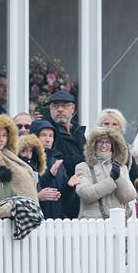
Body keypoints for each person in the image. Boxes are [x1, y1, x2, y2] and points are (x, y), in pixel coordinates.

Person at [71, 127, 137, 220]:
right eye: (100, 142)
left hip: (117, 222)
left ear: (113, 145)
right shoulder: (83, 167)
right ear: (93, 145)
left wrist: (118, 178)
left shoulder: (121, 168)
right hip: (92, 224)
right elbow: (85, 194)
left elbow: (129, 196)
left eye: (108, 142)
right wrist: (111, 181)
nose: (104, 145)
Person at [97, 108, 138, 197]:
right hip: (98, 201)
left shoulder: (127, 149)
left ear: (120, 128)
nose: (110, 127)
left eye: (115, 124)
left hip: (121, 204)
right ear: (100, 126)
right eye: (106, 123)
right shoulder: (91, 147)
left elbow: (133, 179)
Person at [48, 90, 85, 219]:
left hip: (84, 195)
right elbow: (58, 161)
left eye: (64, 105)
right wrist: (84, 160)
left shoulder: (78, 130)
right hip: (62, 196)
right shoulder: (49, 132)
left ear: (73, 109)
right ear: (50, 109)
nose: (59, 109)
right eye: (55, 106)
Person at [29, 119, 67, 220]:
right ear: (34, 136)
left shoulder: (58, 161)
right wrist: (38, 197)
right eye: (43, 135)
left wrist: (71, 186)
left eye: (51, 136)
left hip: (56, 220)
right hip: (34, 219)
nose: (48, 139)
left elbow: (64, 194)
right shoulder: (28, 160)